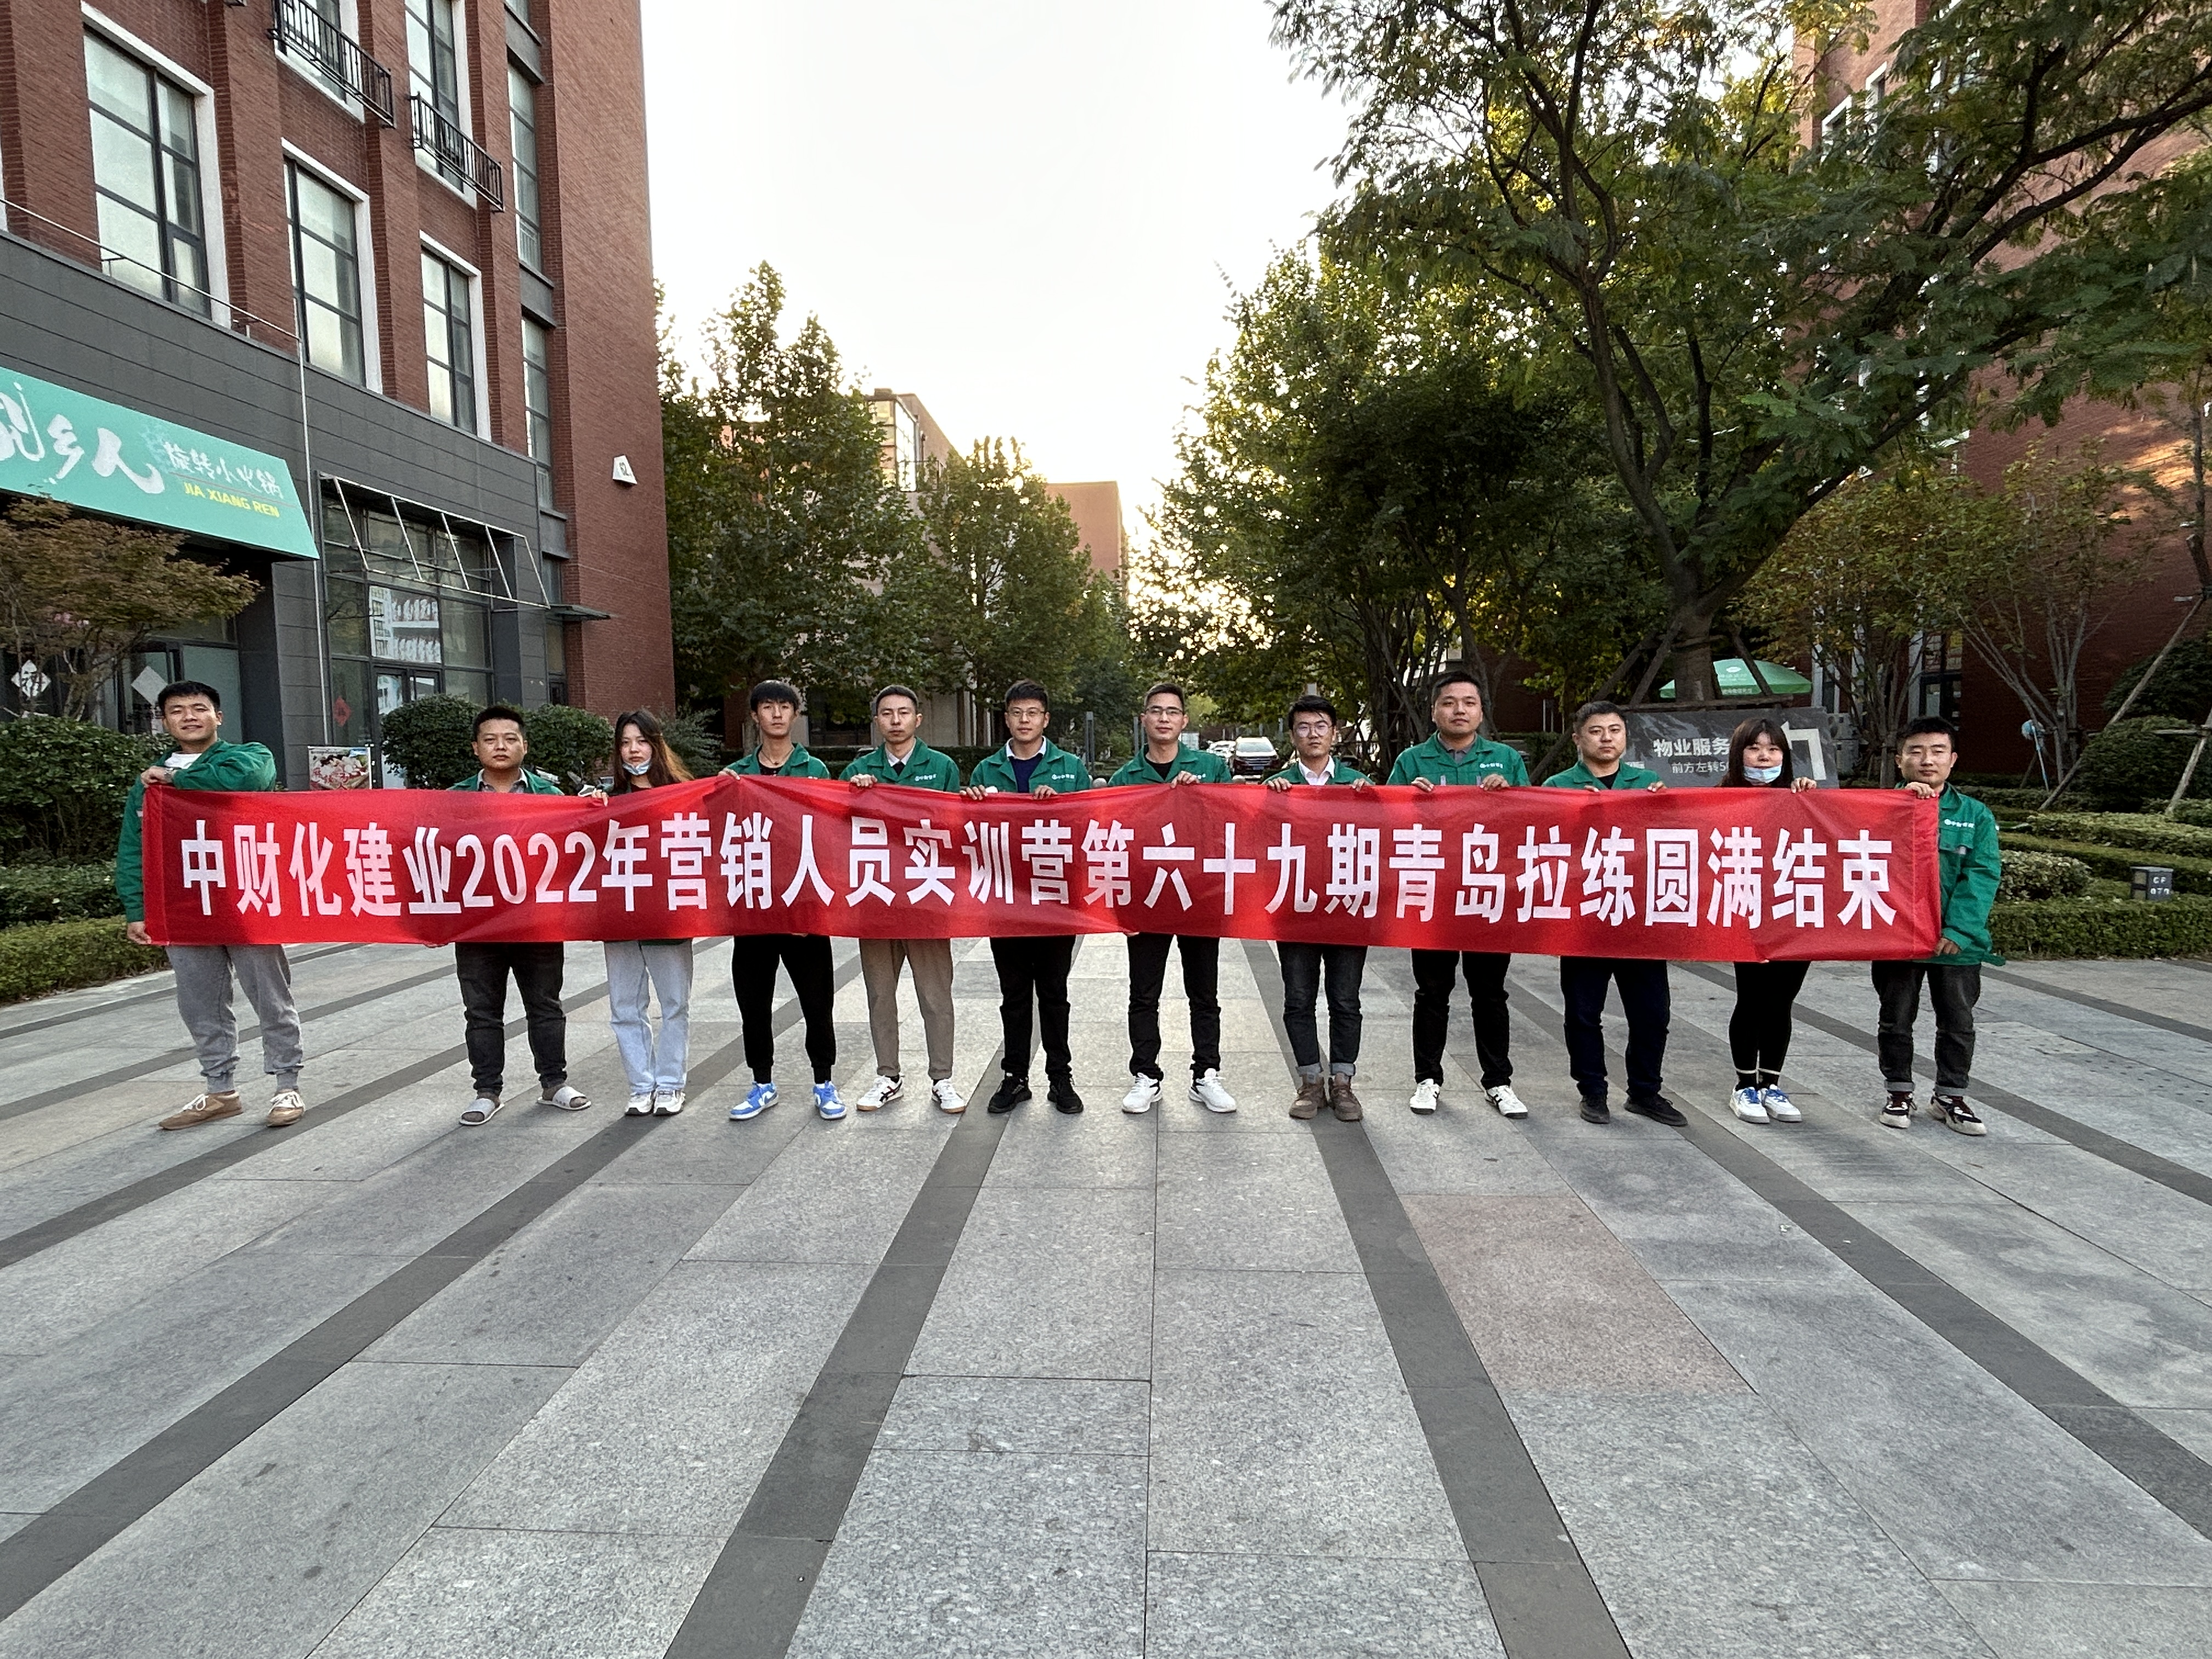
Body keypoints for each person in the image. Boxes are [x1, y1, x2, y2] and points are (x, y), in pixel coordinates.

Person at [117, 680, 306, 1131]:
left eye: (199, 708)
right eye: (176, 710)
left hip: (246, 899)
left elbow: (246, 780)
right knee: (200, 1002)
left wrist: (177, 779)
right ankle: (220, 1089)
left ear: (218, 717)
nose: (189, 716)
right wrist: (136, 908)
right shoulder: (147, 784)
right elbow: (134, 847)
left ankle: (287, 1084)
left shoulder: (248, 757)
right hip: (183, 904)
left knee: (270, 996)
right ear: (164, 721)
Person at [1387, 667, 1530, 1119]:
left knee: (1491, 993)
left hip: (1489, 892)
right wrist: (1407, 798)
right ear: (1434, 711)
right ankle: (1427, 1079)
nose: (1459, 711)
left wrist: (1510, 795)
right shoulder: (1412, 761)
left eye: (1468, 703)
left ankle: (1499, 1082)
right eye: (1449, 703)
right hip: (1433, 893)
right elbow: (1384, 824)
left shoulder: (1505, 759)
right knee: (1432, 992)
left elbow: (1531, 823)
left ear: (1481, 712)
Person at [1542, 700, 1684, 1127]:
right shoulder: (1557, 786)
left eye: (1615, 730)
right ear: (1577, 739)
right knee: (1583, 1012)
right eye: (1596, 731)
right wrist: (1573, 815)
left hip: (1638, 918)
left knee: (1652, 1013)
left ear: (1626, 736)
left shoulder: (1648, 783)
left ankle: (1645, 1091)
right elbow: (1542, 846)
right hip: (1585, 918)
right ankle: (1593, 1090)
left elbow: (1671, 841)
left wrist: (1666, 808)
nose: (1606, 738)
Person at [449, 706, 590, 1126]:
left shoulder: (551, 798)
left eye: (510, 739)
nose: (501, 746)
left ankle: (554, 1083)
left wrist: (595, 809)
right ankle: (487, 1091)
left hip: (537, 922)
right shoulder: (452, 800)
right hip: (477, 926)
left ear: (524, 746)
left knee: (545, 1005)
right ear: (475, 748)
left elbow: (579, 849)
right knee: (481, 1011)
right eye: (490, 739)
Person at [1105, 682, 1238, 1115]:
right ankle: (1146, 1075)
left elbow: (1232, 823)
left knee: (1204, 992)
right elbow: (1113, 844)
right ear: (1143, 719)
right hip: (1147, 898)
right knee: (1144, 993)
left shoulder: (1210, 769)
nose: (1164, 718)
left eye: (1172, 712)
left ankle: (1206, 1074)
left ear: (1184, 721)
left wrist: (1201, 797)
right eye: (1156, 711)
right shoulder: (1126, 779)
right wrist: (1119, 907)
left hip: (1199, 896)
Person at [964, 680, 1094, 1115]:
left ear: (1046, 719)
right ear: (1006, 719)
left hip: (1055, 899)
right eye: (1017, 713)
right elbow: (969, 834)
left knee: (1054, 993)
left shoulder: (1068, 768)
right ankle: (1015, 1077)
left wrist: (1060, 807)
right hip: (1005, 901)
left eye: (1033, 713)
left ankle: (1061, 1077)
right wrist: (972, 803)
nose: (1025, 720)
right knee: (1015, 995)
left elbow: (1088, 827)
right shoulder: (986, 771)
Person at [844, 685, 967, 1115]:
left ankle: (943, 1078)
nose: (895, 720)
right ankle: (888, 1075)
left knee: (935, 995)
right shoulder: (858, 771)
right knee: (880, 994)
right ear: (876, 721)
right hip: (876, 898)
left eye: (903, 713)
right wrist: (854, 794)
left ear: (918, 720)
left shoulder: (942, 767)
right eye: (887, 713)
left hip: (926, 898)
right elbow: (837, 829)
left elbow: (956, 828)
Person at [1876, 715, 2001, 1136]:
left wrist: (1959, 930)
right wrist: (1903, 808)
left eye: (1937, 751)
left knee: (1958, 1022)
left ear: (1953, 760)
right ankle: (1899, 1090)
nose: (1926, 760)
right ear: (1899, 760)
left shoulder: (1974, 815)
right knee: (1895, 1019)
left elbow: (1982, 874)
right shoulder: (1879, 809)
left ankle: (1951, 1095)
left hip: (1956, 945)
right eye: (1916, 751)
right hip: (1898, 939)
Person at [723, 680, 842, 1121]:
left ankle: (824, 1081)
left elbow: (830, 837)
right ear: (755, 715)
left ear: (795, 715)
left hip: (803, 909)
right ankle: (762, 1082)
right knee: (754, 1004)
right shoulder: (735, 775)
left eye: (784, 707)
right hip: (753, 909)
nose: (776, 714)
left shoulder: (816, 771)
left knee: (817, 1003)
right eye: (768, 707)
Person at [1264, 694, 1373, 1122]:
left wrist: (1374, 801)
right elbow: (1256, 837)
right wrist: (1267, 800)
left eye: (1321, 726)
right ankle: (1310, 1081)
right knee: (1298, 998)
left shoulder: (1358, 783)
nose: (1313, 734)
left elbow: (1384, 838)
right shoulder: (1277, 785)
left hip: (1348, 908)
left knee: (1345, 999)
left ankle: (1343, 1083)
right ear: (1293, 736)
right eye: (1304, 727)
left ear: (1335, 733)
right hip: (1296, 909)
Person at [1717, 718, 1818, 1125]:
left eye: (1773, 749)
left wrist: (1811, 798)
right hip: (1747, 913)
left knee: (1781, 1002)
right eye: (1755, 748)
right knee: (1752, 998)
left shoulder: (1802, 796)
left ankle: (1770, 1084)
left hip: (1793, 913)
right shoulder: (1719, 799)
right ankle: (1744, 1085)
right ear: (1739, 753)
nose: (1764, 757)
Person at [602, 709, 696, 1119]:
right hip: (620, 915)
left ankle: (671, 1084)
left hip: (668, 915)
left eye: (641, 741)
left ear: (657, 745)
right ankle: (641, 1086)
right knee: (625, 1007)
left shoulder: (683, 793)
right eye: (625, 743)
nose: (634, 750)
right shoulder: (606, 800)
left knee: (674, 1004)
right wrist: (590, 809)